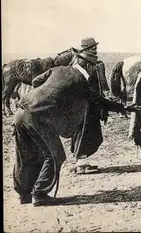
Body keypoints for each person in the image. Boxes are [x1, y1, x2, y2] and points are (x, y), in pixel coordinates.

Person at [12, 47, 125, 206]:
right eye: (94, 65)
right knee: (56, 155)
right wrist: (123, 107)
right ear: (89, 66)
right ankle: (39, 194)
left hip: (20, 112)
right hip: (37, 118)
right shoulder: (82, 81)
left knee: (27, 153)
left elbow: (36, 81)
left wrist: (45, 97)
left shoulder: (58, 69)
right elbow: (99, 101)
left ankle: (24, 194)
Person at [69, 37, 124, 174]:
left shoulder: (89, 65)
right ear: (85, 50)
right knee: (83, 133)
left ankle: (82, 162)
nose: (95, 50)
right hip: (83, 107)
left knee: (91, 133)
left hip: (91, 106)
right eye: (92, 47)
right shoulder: (79, 67)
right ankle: (81, 164)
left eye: (95, 47)